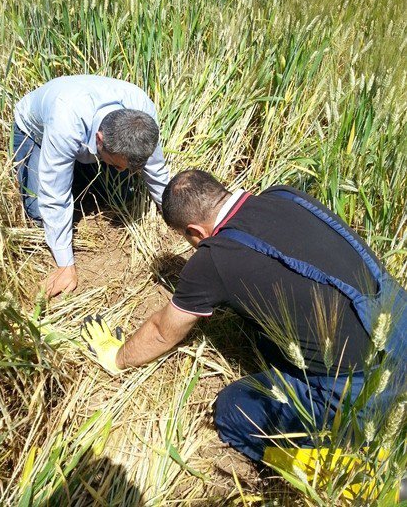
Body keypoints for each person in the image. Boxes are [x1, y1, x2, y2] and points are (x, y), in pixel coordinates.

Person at [81, 169, 406, 463]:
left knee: (233, 412)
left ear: (194, 231)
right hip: (399, 320)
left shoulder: (213, 260)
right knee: (259, 331)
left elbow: (162, 332)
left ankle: (342, 479)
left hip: (369, 389)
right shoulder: (285, 195)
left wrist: (118, 357)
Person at [13, 75, 169, 298]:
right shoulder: (65, 122)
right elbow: (53, 194)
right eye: (115, 165)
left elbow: (156, 170)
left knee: (122, 195)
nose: (120, 170)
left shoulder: (141, 114)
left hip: (84, 136)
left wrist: (172, 211)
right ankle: (75, 172)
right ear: (99, 139)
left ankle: (80, 173)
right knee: (38, 212)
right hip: (35, 131)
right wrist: (65, 265)